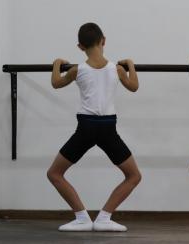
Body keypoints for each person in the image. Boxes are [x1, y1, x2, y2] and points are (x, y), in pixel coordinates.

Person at [47, 22, 141, 232]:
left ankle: (82, 217)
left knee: (54, 173)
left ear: (80, 47)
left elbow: (55, 82)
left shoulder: (76, 70)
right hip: (108, 128)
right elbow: (134, 86)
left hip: (86, 128)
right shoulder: (117, 68)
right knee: (134, 176)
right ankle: (104, 217)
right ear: (104, 40)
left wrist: (56, 63)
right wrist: (131, 65)